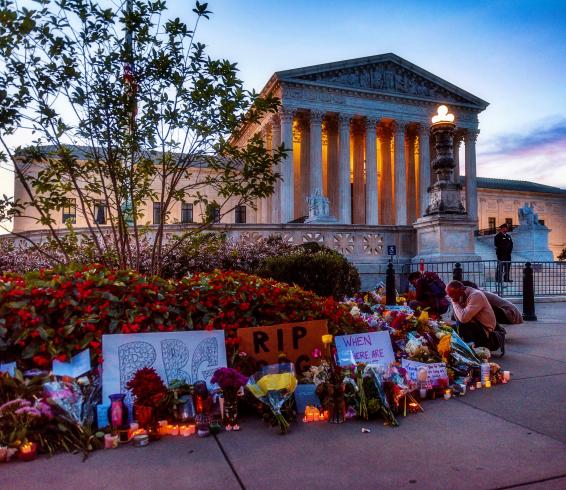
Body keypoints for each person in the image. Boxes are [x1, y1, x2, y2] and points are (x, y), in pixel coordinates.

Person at [445, 280, 505, 353]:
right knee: (447, 330)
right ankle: (463, 347)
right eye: (450, 297)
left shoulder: (476, 295)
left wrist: (454, 302)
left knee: (463, 324)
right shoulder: (460, 295)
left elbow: (463, 319)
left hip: (486, 334)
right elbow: (456, 317)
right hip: (476, 327)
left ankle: (471, 349)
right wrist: (456, 301)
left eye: (453, 296)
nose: (452, 298)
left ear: (461, 290)